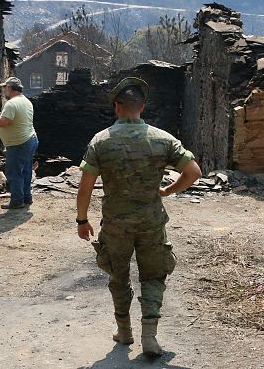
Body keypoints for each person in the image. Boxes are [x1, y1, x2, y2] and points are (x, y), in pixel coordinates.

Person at [75, 77, 202, 357]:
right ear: (142, 107)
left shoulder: (101, 141)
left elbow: (85, 188)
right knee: (154, 276)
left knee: (118, 276)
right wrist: (167, 190)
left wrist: (82, 221)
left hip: (116, 224)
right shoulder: (163, 139)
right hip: (151, 221)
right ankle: (150, 336)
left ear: (117, 108)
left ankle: (124, 331)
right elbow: (193, 172)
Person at [0, 77, 38, 209]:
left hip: (19, 143)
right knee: (26, 170)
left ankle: (17, 201)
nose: (4, 91)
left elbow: (4, 122)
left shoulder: (11, 104)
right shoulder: (26, 101)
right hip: (30, 139)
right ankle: (27, 197)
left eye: (5, 88)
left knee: (14, 172)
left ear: (10, 88)